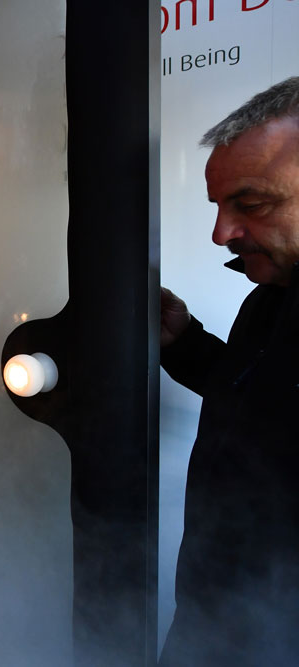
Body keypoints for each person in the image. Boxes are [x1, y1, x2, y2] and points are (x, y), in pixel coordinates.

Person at [159, 77, 299, 666]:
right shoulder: (271, 296)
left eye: (252, 203)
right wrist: (183, 342)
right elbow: (264, 397)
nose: (222, 233)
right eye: (219, 206)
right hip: (209, 621)